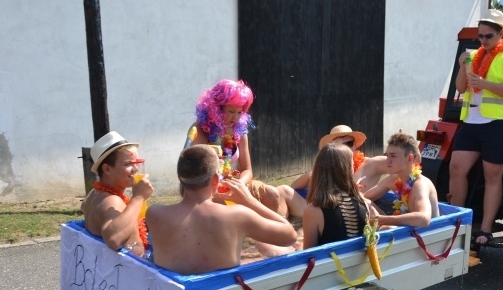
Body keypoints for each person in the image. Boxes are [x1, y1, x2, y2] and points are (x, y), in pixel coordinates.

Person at [147, 145, 298, 275]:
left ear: (180, 178)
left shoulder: (154, 214)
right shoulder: (238, 215)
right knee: (285, 250)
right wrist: (250, 201)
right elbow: (290, 236)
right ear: (214, 180)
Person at [449, 9, 503, 246]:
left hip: (498, 124)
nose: (483, 40)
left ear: (501, 33)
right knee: (456, 169)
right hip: (471, 121)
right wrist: (463, 66)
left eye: (488, 36)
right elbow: (461, 88)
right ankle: (456, 222)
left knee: (493, 177)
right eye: (480, 36)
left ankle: (485, 230)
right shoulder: (474, 55)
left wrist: (485, 84)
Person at [190, 79, 305, 219]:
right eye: (231, 111)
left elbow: (247, 170)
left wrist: (239, 184)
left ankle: (267, 237)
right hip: (207, 187)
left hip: (232, 181)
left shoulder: (239, 129)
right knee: (226, 205)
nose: (236, 117)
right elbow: (193, 172)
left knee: (272, 194)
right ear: (216, 109)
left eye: (240, 112)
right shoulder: (200, 130)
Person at [81, 131, 154, 257]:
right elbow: (114, 239)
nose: (135, 169)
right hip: (130, 272)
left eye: (136, 163)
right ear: (107, 169)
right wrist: (139, 197)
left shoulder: (95, 193)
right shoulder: (112, 201)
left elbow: (84, 207)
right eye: (128, 164)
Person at [363, 132, 439, 228]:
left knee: (386, 228)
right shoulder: (394, 179)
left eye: (393, 156)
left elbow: (424, 218)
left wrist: (381, 219)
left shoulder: (420, 184)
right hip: (408, 236)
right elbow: (363, 199)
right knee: (366, 203)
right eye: (387, 155)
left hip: (428, 237)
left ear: (409, 158)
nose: (387, 160)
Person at [301, 143, 369, 249]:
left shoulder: (313, 210)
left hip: (332, 264)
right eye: (352, 165)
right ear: (347, 169)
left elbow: (308, 255)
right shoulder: (362, 201)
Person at [291, 125, 388, 193]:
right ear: (332, 149)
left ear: (355, 144)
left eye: (349, 143)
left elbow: (399, 165)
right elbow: (293, 188)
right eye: (339, 145)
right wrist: (311, 175)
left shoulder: (373, 164)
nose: (345, 148)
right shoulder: (327, 169)